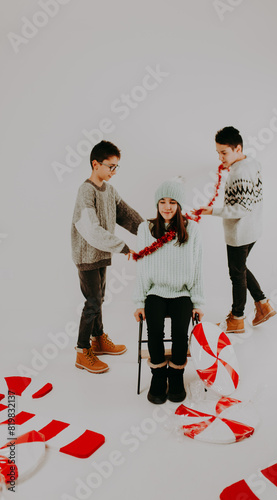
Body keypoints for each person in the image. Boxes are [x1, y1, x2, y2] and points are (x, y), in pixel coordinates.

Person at [71, 140, 143, 373]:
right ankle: (82, 352)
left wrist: (148, 231)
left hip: (101, 253)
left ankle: (99, 339)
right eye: (110, 166)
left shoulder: (109, 190)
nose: (113, 171)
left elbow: (127, 215)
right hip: (87, 254)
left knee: (99, 297)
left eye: (116, 167)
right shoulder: (86, 191)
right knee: (92, 302)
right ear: (95, 164)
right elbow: (91, 229)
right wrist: (123, 247)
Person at [199, 126, 276, 333]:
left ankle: (238, 317)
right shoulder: (252, 162)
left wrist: (210, 211)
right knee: (240, 269)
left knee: (236, 274)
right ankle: (262, 304)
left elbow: (241, 208)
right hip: (252, 229)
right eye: (218, 153)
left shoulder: (239, 172)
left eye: (224, 152)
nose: (220, 157)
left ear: (237, 148)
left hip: (240, 233)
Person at [133, 180, 204, 404]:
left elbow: (198, 266)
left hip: (182, 292)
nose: (167, 207)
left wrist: (198, 302)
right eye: (162, 201)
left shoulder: (192, 229)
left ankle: (176, 375)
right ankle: (158, 376)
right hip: (156, 291)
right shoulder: (146, 228)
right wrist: (139, 301)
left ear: (179, 205)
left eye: (172, 202)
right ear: (157, 204)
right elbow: (142, 267)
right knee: (154, 331)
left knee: (181, 333)